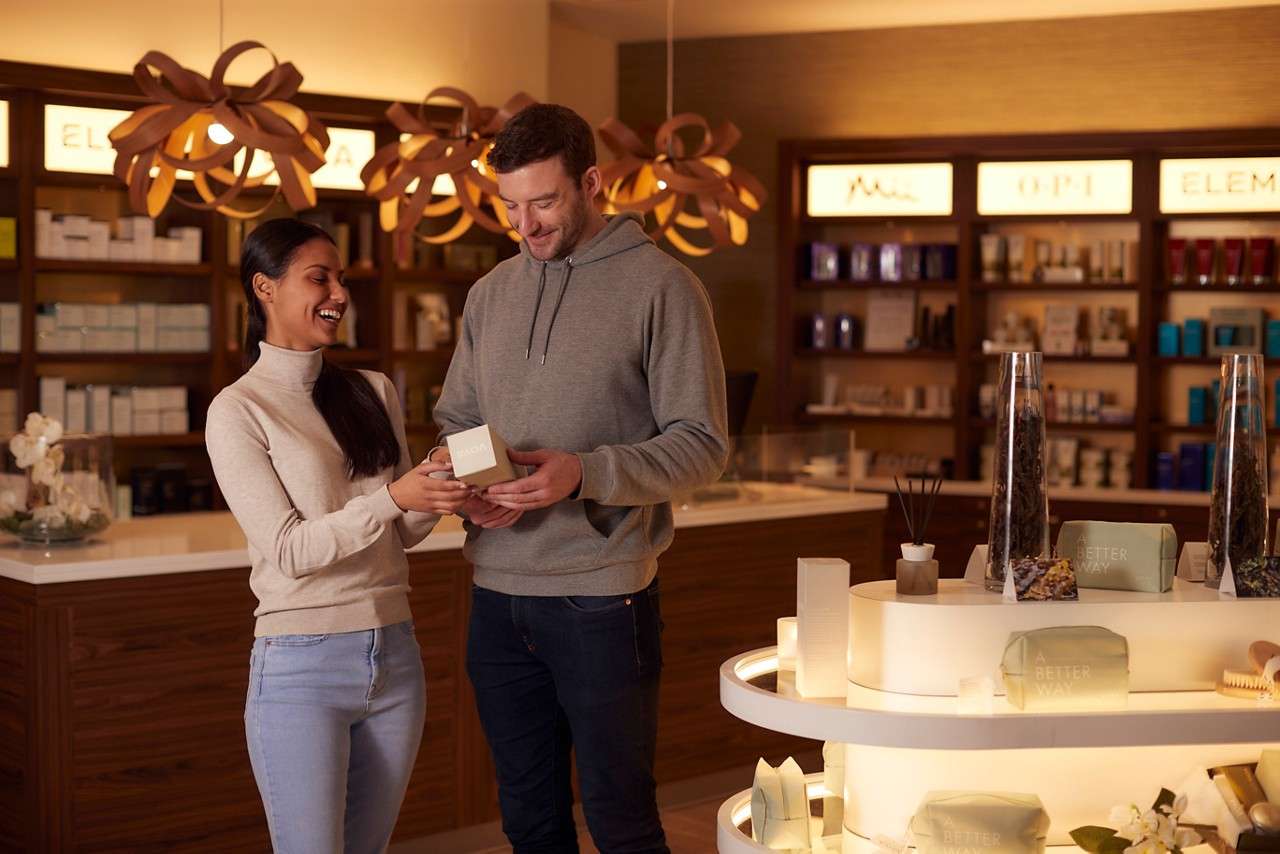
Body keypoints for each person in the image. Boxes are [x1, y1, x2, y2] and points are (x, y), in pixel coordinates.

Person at [431, 104, 730, 853]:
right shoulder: (490, 293)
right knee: (529, 823)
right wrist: (473, 489)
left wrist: (585, 473)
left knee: (621, 823)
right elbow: (457, 418)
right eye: (509, 206)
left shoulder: (663, 287)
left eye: (543, 202)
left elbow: (703, 446)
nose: (524, 225)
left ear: (591, 183)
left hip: (601, 598)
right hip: (496, 596)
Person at [205, 218, 473, 853]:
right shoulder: (238, 410)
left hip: (395, 654)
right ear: (265, 287)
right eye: (318, 278)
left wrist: (438, 484)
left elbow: (399, 533)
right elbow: (290, 550)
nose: (339, 294)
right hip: (301, 667)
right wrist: (395, 496)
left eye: (342, 279)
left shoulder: (371, 391)